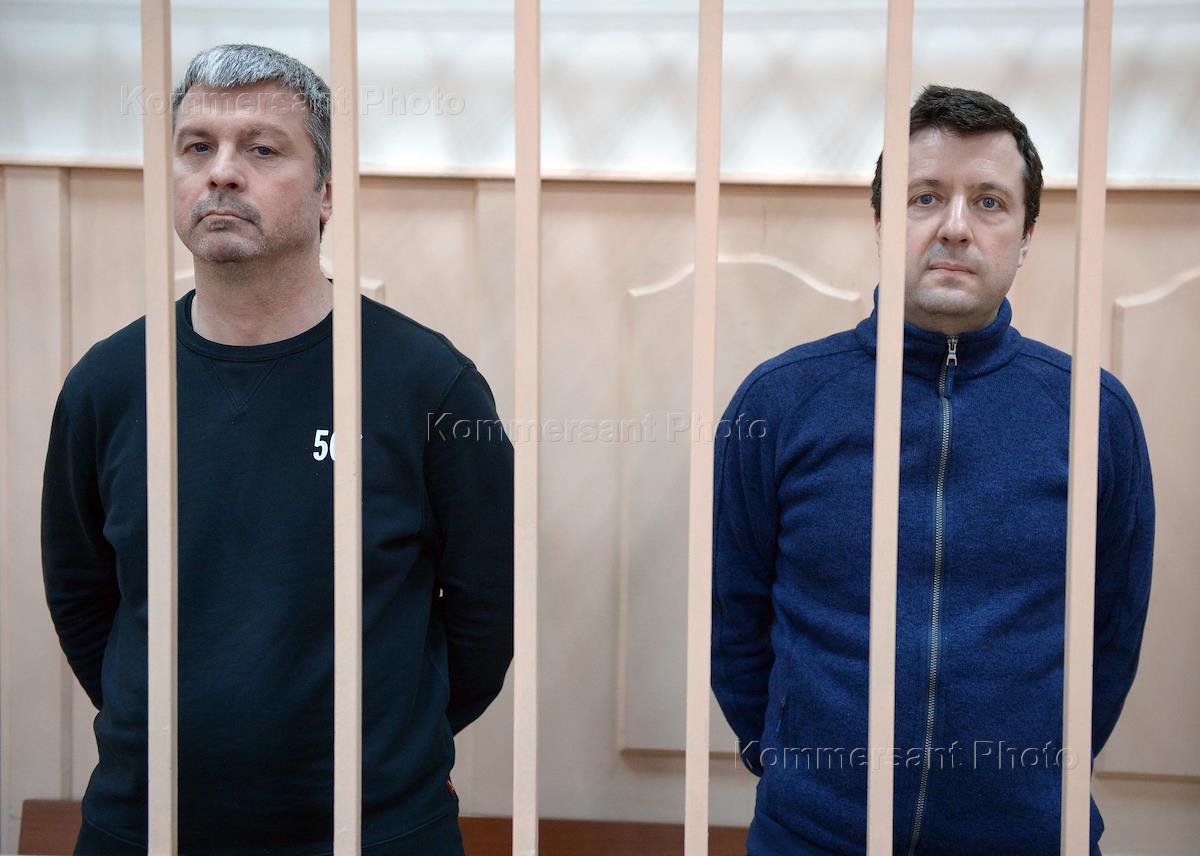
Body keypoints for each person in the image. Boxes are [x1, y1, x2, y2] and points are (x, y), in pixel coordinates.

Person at [41, 44, 513, 855]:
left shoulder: (429, 386)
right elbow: (82, 598)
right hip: (145, 821)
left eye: (262, 149)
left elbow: (485, 616)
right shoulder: (108, 384)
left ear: (327, 192)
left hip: (374, 828)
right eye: (197, 147)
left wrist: (388, 751)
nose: (222, 173)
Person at [711, 85, 1154, 855]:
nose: (954, 226)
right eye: (925, 197)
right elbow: (734, 619)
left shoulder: (1094, 414)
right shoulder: (780, 402)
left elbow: (1112, 634)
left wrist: (1034, 779)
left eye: (989, 201)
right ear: (884, 222)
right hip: (814, 835)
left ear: (1026, 235)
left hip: (1028, 837)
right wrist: (788, 764)